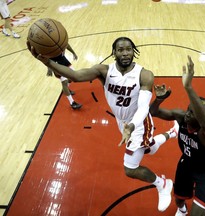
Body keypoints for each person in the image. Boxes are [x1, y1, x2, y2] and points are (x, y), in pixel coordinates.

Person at [27, 36, 174, 212]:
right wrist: (47, 62)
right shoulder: (104, 71)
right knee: (149, 148)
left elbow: (143, 108)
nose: (125, 53)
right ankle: (172, 132)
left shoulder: (145, 75)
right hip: (123, 123)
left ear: (134, 51)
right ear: (114, 52)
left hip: (139, 124)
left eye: (128, 49)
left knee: (130, 168)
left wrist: (132, 126)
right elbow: (75, 75)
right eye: (120, 49)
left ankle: (162, 183)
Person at [149, 56, 205, 216]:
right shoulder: (181, 117)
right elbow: (153, 112)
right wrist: (158, 100)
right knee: (179, 199)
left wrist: (188, 87)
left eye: (193, 112)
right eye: (188, 109)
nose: (187, 114)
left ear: (201, 117)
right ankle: (181, 210)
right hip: (186, 163)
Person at [47, 44, 82, 110]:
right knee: (64, 82)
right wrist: (49, 68)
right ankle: (72, 103)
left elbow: (66, 45)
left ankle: (66, 89)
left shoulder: (60, 38)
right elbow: (45, 56)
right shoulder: (49, 42)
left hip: (63, 60)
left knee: (73, 77)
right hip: (55, 64)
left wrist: (73, 53)